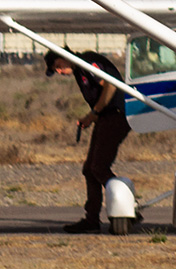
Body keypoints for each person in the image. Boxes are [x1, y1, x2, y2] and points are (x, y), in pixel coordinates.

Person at [45, 49, 131, 234]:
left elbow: (110, 86)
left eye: (58, 66)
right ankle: (91, 219)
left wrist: (94, 113)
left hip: (115, 116)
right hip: (105, 117)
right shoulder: (80, 69)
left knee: (98, 167)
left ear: (65, 57)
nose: (59, 71)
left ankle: (128, 207)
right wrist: (90, 117)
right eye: (56, 70)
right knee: (90, 169)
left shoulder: (87, 63)